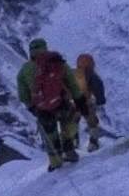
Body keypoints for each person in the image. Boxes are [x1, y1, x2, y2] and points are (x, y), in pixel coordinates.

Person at [17, 38, 89, 171]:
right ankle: (69, 149)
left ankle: (56, 163)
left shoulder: (24, 71)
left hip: (42, 109)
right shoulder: (57, 62)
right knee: (69, 124)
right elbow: (72, 84)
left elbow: (23, 95)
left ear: (31, 52)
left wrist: (32, 107)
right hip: (62, 103)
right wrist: (79, 101)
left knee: (50, 135)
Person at [73, 53, 106, 152]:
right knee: (92, 122)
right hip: (85, 103)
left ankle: (74, 142)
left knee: (73, 121)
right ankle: (93, 143)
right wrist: (100, 101)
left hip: (72, 103)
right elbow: (98, 89)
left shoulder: (72, 73)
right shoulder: (93, 75)